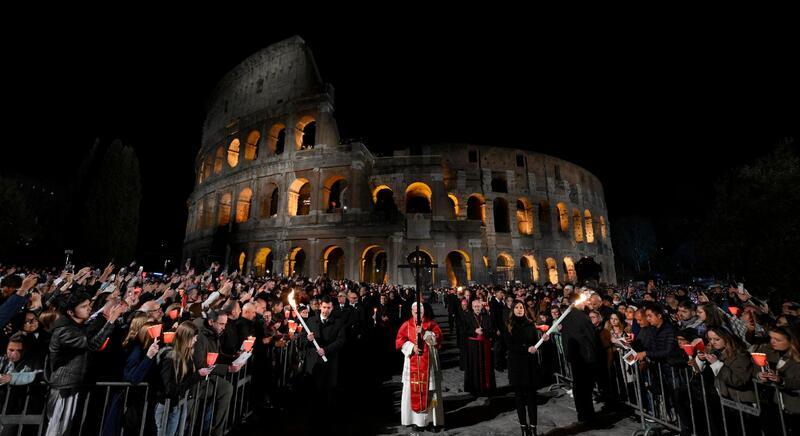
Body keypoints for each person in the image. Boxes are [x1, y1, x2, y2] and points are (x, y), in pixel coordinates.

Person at [46, 292, 127, 436]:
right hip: (64, 387)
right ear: (71, 312)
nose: (89, 308)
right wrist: (111, 320)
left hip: (75, 385)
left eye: (89, 305)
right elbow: (93, 344)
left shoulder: (78, 327)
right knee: (57, 430)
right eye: (83, 306)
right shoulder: (64, 331)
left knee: (69, 429)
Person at [395, 301, 443, 430]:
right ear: (412, 312)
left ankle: (432, 421)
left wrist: (424, 332)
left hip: (429, 364)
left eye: (420, 312)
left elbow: (438, 340)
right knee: (412, 390)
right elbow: (399, 341)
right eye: (416, 312)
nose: (418, 315)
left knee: (431, 391)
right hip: (412, 362)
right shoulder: (407, 324)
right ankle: (416, 421)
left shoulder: (431, 324)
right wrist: (412, 347)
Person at [506, 301, 549, 436]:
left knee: (532, 397)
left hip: (530, 365)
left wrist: (543, 340)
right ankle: (524, 427)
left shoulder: (530, 324)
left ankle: (533, 427)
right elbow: (510, 345)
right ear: (513, 310)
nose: (519, 309)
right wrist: (525, 349)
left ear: (525, 310)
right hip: (516, 365)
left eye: (521, 307)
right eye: (517, 307)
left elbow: (535, 343)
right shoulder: (509, 325)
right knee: (519, 398)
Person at [302, 296, 345, 427]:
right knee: (313, 391)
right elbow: (302, 340)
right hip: (313, 364)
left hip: (329, 363)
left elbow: (341, 341)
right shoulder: (311, 321)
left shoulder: (338, 323)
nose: (326, 310)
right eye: (324, 307)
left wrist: (326, 350)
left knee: (328, 391)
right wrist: (307, 339)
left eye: (328, 308)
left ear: (332, 308)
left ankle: (327, 421)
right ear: (320, 306)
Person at [559, 292, 600, 425]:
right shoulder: (583, 318)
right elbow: (592, 338)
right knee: (585, 388)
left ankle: (581, 414)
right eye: (583, 301)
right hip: (585, 358)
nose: (586, 303)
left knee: (578, 387)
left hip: (574, 357)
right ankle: (589, 416)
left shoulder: (566, 317)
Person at [463, 299, 495, 395]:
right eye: (475, 306)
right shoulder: (468, 316)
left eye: (479, 306)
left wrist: (484, 331)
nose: (477, 308)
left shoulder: (486, 317)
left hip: (485, 345)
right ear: (472, 307)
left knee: (486, 366)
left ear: (481, 307)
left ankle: (486, 387)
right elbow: (463, 330)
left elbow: (491, 330)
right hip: (473, 346)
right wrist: (474, 331)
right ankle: (474, 388)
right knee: (474, 366)